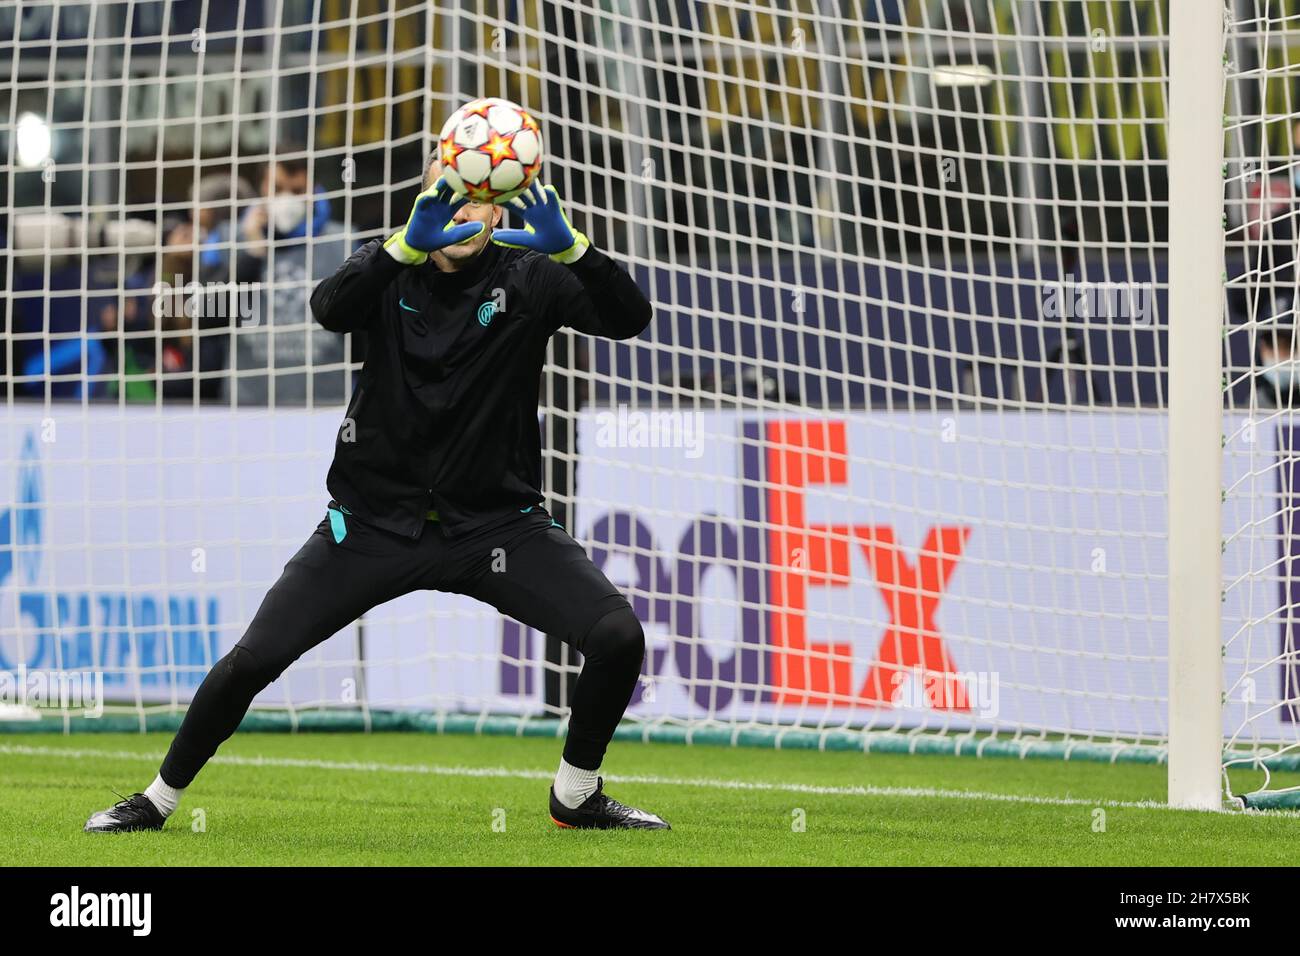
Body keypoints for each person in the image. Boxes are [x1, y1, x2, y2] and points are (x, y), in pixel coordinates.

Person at [84, 160, 668, 832]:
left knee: (618, 635)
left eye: (480, 200)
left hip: (494, 529)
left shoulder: (529, 276)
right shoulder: (387, 268)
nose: (463, 212)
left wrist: (575, 250)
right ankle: (156, 799)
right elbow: (329, 308)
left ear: (500, 214)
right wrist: (399, 248)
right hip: (369, 527)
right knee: (254, 660)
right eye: (448, 195)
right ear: (425, 201)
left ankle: (575, 794)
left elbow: (630, 319)